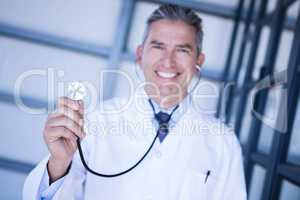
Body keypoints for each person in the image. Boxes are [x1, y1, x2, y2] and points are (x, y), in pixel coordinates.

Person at [23, 4, 247, 200]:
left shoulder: (223, 142)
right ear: (140, 55)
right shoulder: (94, 121)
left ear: (199, 61)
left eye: (182, 50)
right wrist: (59, 163)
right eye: (158, 47)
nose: (168, 61)